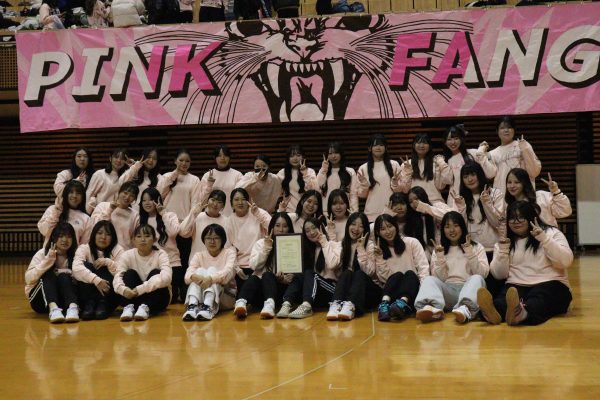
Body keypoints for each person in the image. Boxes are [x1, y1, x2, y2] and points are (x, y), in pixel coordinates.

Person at [477, 201, 573, 326]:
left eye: (521, 217)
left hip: (551, 283)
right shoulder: (504, 241)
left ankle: (520, 314)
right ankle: (492, 313)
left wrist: (544, 239)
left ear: (531, 217)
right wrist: (503, 248)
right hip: (516, 285)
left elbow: (565, 261)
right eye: (512, 218)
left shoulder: (551, 233)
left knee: (538, 299)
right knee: (503, 301)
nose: (516, 222)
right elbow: (499, 274)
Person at [414, 211, 489, 323]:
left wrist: (469, 251)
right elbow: (439, 279)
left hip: (469, 291)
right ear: (443, 230)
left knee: (477, 278)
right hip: (447, 292)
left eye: (456, 225)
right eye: (447, 226)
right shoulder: (439, 249)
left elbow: (483, 274)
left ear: (462, 227)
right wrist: (440, 257)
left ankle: (465, 309)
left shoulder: (477, 247)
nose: (452, 230)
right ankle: (433, 309)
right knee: (429, 279)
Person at [233, 212, 295, 319]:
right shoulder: (261, 243)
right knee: (254, 278)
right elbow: (253, 266)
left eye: (285, 226)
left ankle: (269, 306)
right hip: (258, 292)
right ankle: (241, 303)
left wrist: (284, 279)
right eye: (277, 225)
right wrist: (266, 248)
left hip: (279, 293)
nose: (281, 230)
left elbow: (294, 274)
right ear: (272, 227)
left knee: (268, 275)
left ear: (289, 228)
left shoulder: (293, 245)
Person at [367, 214, 429, 322]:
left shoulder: (412, 242)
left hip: (411, 292)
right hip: (391, 294)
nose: (388, 231)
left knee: (410, 274)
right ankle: (385, 305)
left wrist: (423, 292)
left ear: (396, 226)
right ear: (377, 232)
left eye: (390, 226)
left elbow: (423, 269)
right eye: (383, 229)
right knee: (397, 275)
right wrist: (380, 258)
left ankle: (401, 304)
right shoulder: (378, 250)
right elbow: (384, 279)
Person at [113, 224, 172, 321]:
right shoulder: (127, 255)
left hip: (157, 300)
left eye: (147, 236)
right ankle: (128, 307)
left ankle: (145, 307)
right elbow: (117, 276)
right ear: (133, 240)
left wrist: (140, 289)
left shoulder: (161, 254)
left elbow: (167, 277)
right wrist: (123, 290)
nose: (143, 239)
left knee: (156, 273)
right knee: (129, 273)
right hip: (133, 297)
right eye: (139, 236)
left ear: (154, 239)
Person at [286, 218, 342, 319]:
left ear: (321, 228)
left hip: (332, 290)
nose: (311, 232)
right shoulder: (309, 250)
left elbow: (332, 265)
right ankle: (286, 304)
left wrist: (323, 242)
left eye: (314, 228)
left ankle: (306, 306)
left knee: (310, 274)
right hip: (315, 292)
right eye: (307, 231)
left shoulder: (335, 245)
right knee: (300, 275)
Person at [25, 222, 80, 323]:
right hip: (40, 302)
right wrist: (48, 261)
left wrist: (64, 272)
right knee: (48, 274)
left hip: (63, 301)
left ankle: (72, 307)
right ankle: (53, 309)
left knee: (64, 276)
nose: (65, 240)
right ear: (54, 238)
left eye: (69, 236)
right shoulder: (42, 253)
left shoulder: (76, 255)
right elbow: (28, 279)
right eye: (61, 236)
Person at [182, 224, 237, 321]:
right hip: (201, 297)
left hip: (226, 296)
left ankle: (208, 307)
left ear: (223, 239)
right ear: (204, 240)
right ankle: (193, 306)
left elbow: (227, 275)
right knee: (199, 272)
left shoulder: (230, 253)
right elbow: (187, 277)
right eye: (208, 238)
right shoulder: (199, 255)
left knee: (211, 270)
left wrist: (210, 279)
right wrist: (197, 278)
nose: (212, 241)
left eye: (216, 238)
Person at [139, 188, 184, 304]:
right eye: (144, 200)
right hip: (149, 266)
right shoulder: (140, 219)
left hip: (172, 264)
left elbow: (174, 232)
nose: (147, 203)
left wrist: (163, 213)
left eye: (150, 200)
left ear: (158, 200)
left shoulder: (169, 215)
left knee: (169, 299)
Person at [72, 221, 124, 320]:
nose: (103, 237)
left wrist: (108, 262)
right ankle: (89, 304)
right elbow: (76, 268)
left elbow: (122, 272)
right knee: (85, 265)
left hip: (109, 297)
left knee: (105, 266)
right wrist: (97, 280)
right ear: (93, 234)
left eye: (108, 234)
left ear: (113, 237)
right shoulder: (84, 248)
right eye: (99, 233)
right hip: (87, 297)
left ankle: (102, 303)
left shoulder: (118, 250)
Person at [224, 188, 271, 291]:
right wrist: (236, 268)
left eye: (243, 199)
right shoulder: (229, 221)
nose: (240, 202)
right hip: (241, 267)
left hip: (260, 262)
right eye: (236, 199)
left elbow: (273, 228)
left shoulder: (258, 212)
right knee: (243, 295)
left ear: (248, 201)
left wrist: (257, 214)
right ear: (231, 204)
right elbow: (228, 247)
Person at [326, 212, 370, 321]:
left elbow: (369, 272)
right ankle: (336, 305)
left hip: (366, 290)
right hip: (349, 290)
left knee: (359, 273)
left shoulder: (370, 245)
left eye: (361, 226)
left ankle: (350, 306)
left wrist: (361, 248)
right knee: (347, 272)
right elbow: (333, 265)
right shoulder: (343, 244)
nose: (356, 229)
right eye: (353, 224)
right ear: (348, 225)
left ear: (365, 229)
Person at [442, 124, 495, 206]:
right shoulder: (446, 161)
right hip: (455, 201)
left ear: (461, 139)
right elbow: (447, 181)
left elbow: (490, 174)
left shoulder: (473, 153)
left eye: (456, 138)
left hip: (476, 199)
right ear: (445, 142)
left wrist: (481, 151)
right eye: (449, 139)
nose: (453, 142)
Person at [489, 116, 541, 194]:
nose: (506, 130)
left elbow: (534, 172)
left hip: (524, 195)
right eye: (502, 128)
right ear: (497, 131)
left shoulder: (524, 145)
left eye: (509, 127)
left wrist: (525, 150)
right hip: (503, 195)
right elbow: (489, 175)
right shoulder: (492, 154)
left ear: (514, 130)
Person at [357, 134, 402, 222]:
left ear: (386, 148)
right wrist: (364, 185)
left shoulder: (394, 164)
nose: (378, 147)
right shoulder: (363, 168)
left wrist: (395, 183)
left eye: (381, 145)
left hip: (392, 211)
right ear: (369, 148)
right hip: (371, 213)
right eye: (375, 145)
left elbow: (400, 191)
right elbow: (361, 195)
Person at [505, 168, 571, 228]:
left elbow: (565, 212)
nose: (512, 186)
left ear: (524, 183)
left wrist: (556, 191)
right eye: (509, 182)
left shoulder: (541, 196)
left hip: (549, 236)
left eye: (517, 182)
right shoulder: (508, 206)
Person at [397, 133, 450, 205]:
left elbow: (440, 187)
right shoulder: (406, 164)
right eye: (418, 143)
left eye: (425, 143)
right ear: (413, 145)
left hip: (435, 202)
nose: (421, 145)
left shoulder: (436, 162)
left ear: (429, 146)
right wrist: (407, 172)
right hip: (414, 204)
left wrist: (439, 165)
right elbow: (405, 190)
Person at [179, 189, 228, 262]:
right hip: (197, 262)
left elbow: (227, 245)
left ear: (223, 206)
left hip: (219, 263)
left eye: (219, 202)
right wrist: (193, 214)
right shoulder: (198, 216)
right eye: (213, 200)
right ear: (208, 201)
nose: (215, 204)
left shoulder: (227, 221)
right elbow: (182, 232)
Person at [38, 180, 91, 246]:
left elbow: (84, 246)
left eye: (78, 193)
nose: (74, 196)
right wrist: (57, 212)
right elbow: (44, 231)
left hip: (73, 252)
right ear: (65, 194)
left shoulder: (86, 219)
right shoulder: (52, 209)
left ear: (83, 196)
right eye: (71, 192)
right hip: (49, 252)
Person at [90, 181, 139, 250]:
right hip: (103, 250)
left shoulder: (135, 215)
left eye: (132, 196)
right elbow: (95, 226)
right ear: (119, 192)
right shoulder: (102, 205)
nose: (127, 197)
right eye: (125, 193)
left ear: (134, 199)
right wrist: (110, 210)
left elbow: (135, 237)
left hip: (124, 251)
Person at [317, 142, 359, 215]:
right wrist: (324, 169)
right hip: (326, 212)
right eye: (330, 153)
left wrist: (354, 213)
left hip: (345, 212)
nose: (333, 156)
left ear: (341, 154)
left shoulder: (350, 171)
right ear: (326, 156)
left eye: (336, 153)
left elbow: (353, 194)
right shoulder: (324, 171)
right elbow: (318, 187)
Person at [201, 145, 243, 217]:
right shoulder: (207, 175)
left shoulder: (238, 175)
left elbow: (241, 198)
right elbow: (202, 201)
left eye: (225, 155)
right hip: (212, 216)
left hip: (231, 216)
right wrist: (209, 185)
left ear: (229, 157)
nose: (222, 158)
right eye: (219, 155)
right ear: (215, 158)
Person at [118, 148, 161, 212]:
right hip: (130, 212)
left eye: (154, 158)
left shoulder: (159, 178)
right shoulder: (135, 172)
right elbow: (121, 182)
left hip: (148, 214)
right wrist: (136, 166)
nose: (151, 160)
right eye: (149, 157)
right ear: (143, 157)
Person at [86, 148, 129, 214]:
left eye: (122, 158)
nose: (119, 160)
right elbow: (89, 194)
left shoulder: (125, 176)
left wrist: (132, 166)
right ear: (110, 158)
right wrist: (87, 213)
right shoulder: (100, 174)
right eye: (116, 157)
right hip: (100, 213)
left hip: (118, 214)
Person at [277, 145, 317, 214]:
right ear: (288, 158)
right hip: (288, 212)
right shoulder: (282, 172)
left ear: (303, 157)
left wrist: (305, 174)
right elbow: (275, 190)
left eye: (298, 155)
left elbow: (314, 191)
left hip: (306, 212)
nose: (295, 158)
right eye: (292, 156)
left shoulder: (310, 171)